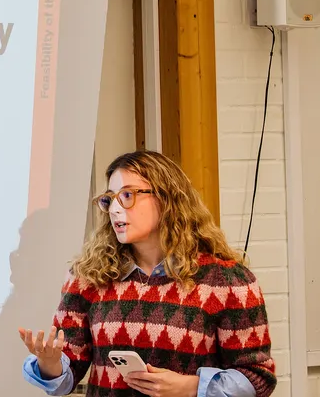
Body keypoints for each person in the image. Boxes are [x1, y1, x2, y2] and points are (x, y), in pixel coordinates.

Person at [18, 150, 277, 397]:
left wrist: (191, 387)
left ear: (167, 198)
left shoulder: (227, 282)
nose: (115, 209)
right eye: (109, 200)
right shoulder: (87, 277)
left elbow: (257, 377)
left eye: (127, 196)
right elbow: (66, 374)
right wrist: (50, 363)